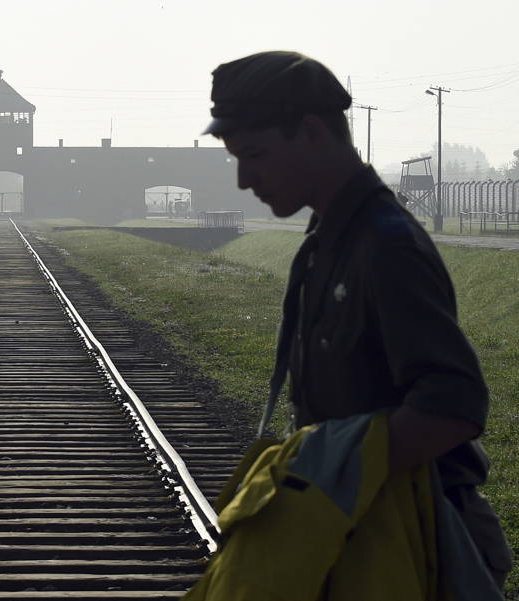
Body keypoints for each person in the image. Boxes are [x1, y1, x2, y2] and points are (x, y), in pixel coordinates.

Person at [203, 51, 512, 589]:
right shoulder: (328, 241)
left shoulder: (386, 246)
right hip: (356, 533)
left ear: (311, 131)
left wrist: (328, 477)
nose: (243, 179)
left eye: (255, 154)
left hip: (413, 543)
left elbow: (454, 405)